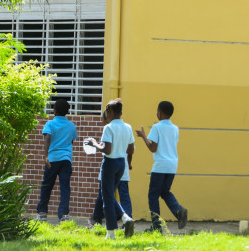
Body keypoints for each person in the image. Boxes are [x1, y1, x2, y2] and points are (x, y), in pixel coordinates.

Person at [86, 99, 135, 239]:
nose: (106, 115)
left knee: (107, 198)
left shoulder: (108, 127)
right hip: (121, 163)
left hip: (110, 163)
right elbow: (131, 149)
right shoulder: (128, 127)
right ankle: (126, 218)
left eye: (107, 112)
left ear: (111, 112)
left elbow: (106, 150)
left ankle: (111, 234)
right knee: (108, 195)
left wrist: (94, 143)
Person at [136, 100, 188, 232]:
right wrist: (156, 128)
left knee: (153, 195)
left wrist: (143, 136)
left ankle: (157, 226)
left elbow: (153, 148)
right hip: (172, 166)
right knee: (165, 192)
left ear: (159, 113)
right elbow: (167, 141)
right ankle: (179, 210)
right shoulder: (175, 128)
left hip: (160, 166)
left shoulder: (157, 127)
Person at [34, 98, 78, 222]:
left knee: (47, 185)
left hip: (52, 159)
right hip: (66, 160)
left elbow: (47, 138)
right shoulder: (71, 125)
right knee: (65, 187)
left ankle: (42, 213)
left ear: (55, 110)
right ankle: (64, 215)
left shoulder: (50, 124)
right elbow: (71, 141)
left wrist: (45, 156)